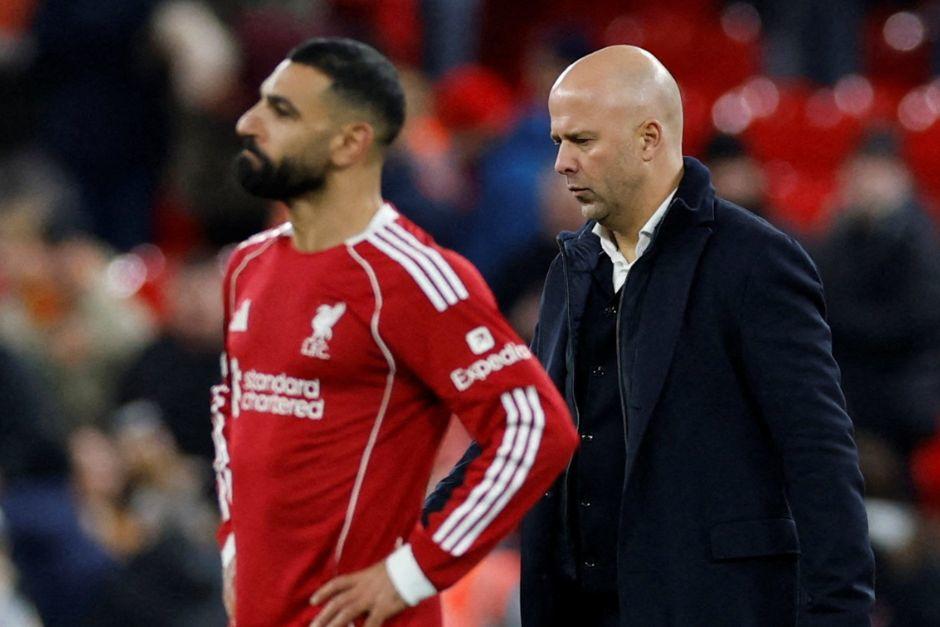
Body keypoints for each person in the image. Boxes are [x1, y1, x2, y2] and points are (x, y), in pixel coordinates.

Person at [427, 45, 875, 626]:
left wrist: (839, 614)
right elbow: (525, 430)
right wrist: (407, 542)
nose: (562, 163)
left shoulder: (755, 262)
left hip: (707, 607)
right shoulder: (572, 265)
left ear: (649, 138)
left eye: (582, 141)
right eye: (558, 141)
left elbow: (819, 455)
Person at [213, 37, 578, 627]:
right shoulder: (248, 266)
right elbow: (231, 406)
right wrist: (234, 547)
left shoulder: (409, 277)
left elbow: (535, 428)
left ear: (351, 142)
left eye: (280, 110)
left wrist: (415, 570)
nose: (248, 122)